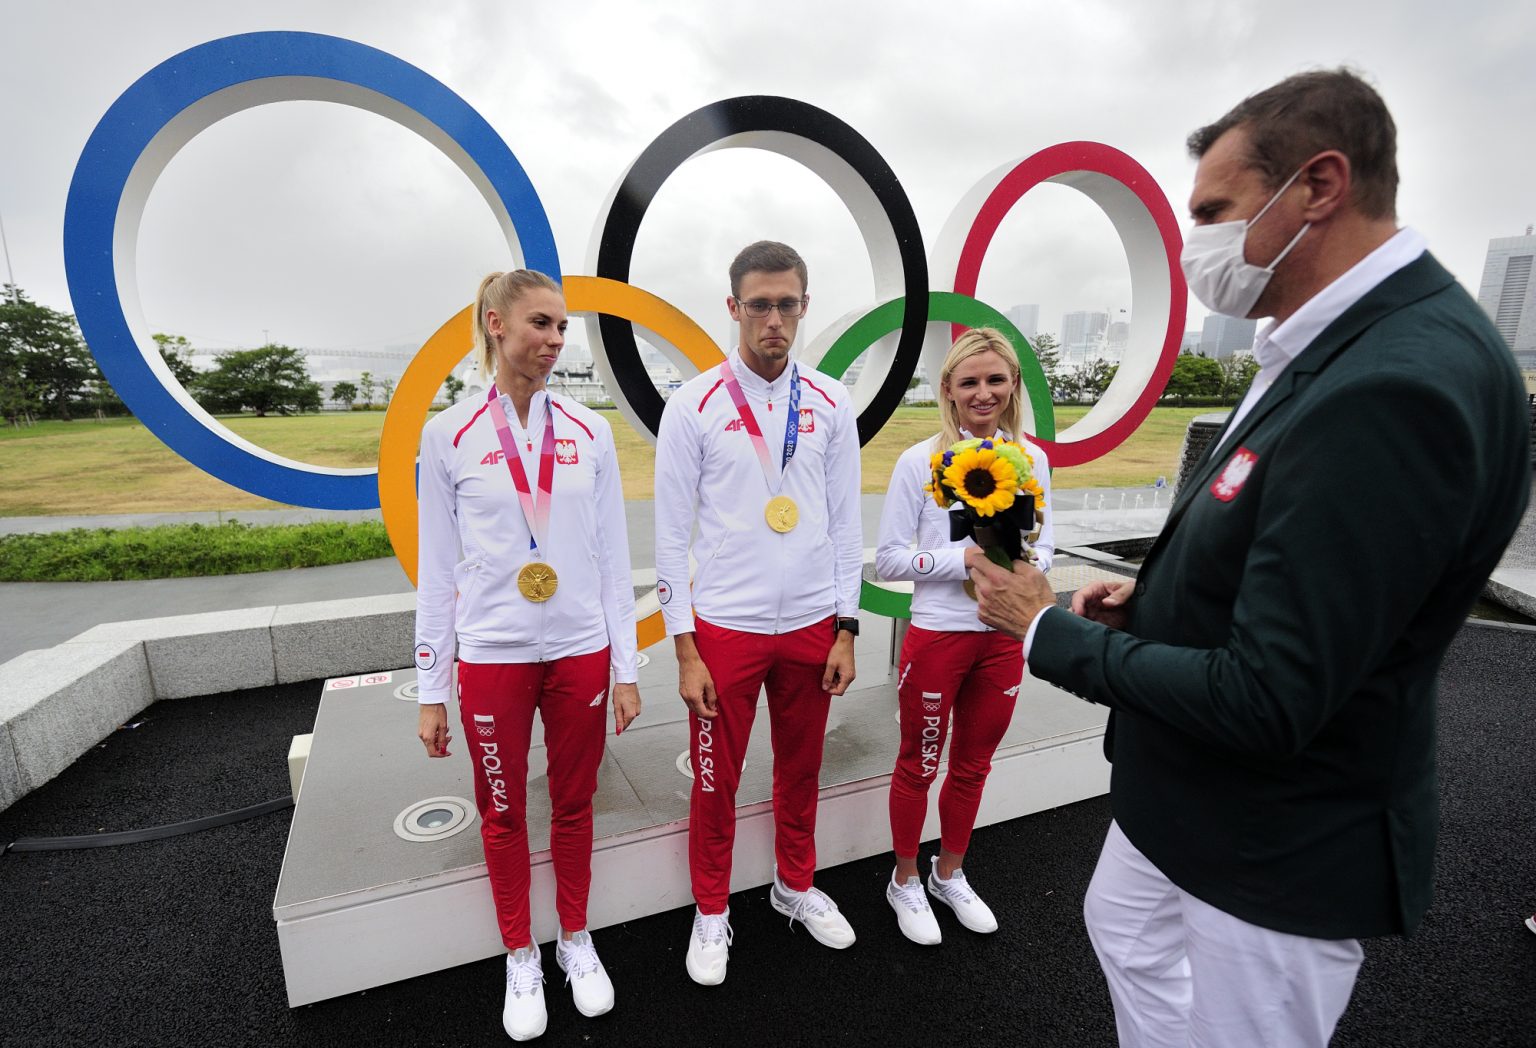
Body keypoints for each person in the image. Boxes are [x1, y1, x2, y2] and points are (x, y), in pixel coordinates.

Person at [969, 69, 1530, 1046]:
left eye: (1216, 211)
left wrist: (1045, 628)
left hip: (1277, 843)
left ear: (1318, 187)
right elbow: (1302, 556)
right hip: (1193, 799)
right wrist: (1160, 596)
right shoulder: (1327, 347)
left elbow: (1275, 694)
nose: (1196, 248)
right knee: (1123, 929)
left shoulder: (1395, 384)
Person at [414, 269, 641, 1041]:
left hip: (579, 649)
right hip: (493, 655)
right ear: (494, 324)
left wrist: (626, 668)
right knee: (504, 810)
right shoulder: (448, 433)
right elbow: (437, 571)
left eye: (560, 327)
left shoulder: (588, 430)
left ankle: (574, 937)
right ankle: (521, 952)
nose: (553, 341)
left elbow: (614, 558)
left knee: (574, 805)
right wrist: (430, 686)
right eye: (540, 324)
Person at [653, 240, 863, 985]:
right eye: (759, 304)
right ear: (734, 308)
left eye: (787, 304)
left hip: (811, 625)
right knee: (716, 779)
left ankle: (794, 885)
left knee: (801, 768)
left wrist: (846, 626)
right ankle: (712, 908)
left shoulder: (833, 402)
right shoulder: (695, 403)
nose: (774, 318)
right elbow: (669, 537)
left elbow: (845, 524)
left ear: (804, 307)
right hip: (725, 630)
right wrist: (685, 650)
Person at [874, 327, 1054, 944]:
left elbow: (1045, 544)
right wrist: (970, 561)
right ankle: (903, 880)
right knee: (919, 765)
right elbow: (891, 559)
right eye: (969, 382)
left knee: (974, 765)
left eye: (995, 380)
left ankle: (948, 872)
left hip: (1005, 637)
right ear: (947, 390)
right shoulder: (917, 461)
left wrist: (1027, 569)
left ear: (1012, 388)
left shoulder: (1034, 460)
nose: (983, 393)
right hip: (939, 637)